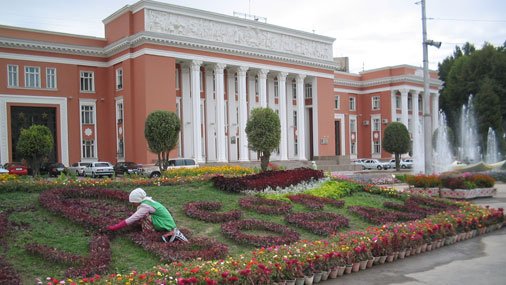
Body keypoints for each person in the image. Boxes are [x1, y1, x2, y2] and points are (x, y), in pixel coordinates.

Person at [107, 188, 187, 243]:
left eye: (133, 202)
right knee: (144, 216)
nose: (133, 204)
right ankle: (164, 233)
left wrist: (115, 227)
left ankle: (151, 235)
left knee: (144, 217)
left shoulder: (145, 206)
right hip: (167, 222)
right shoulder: (148, 201)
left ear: (138, 200)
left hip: (165, 223)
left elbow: (133, 218)